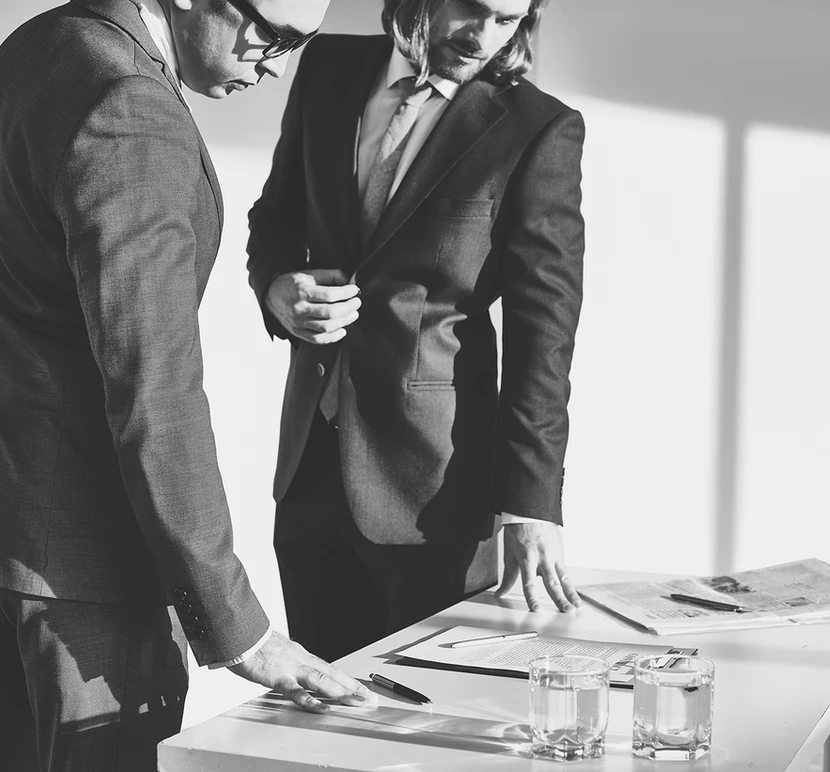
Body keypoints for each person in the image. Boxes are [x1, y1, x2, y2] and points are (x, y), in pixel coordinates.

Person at [0, 1, 375, 770]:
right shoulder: (129, 107)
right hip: (81, 579)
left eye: (298, 45)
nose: (276, 64)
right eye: (270, 33)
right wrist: (238, 626)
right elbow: (154, 387)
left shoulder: (44, 42)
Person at [247, 0, 586, 663]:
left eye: (508, 20)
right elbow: (277, 216)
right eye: (474, 10)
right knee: (327, 723)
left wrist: (530, 505)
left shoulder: (536, 129)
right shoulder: (326, 68)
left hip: (436, 498)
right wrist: (276, 288)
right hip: (310, 473)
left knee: (429, 728)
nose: (485, 37)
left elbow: (543, 330)